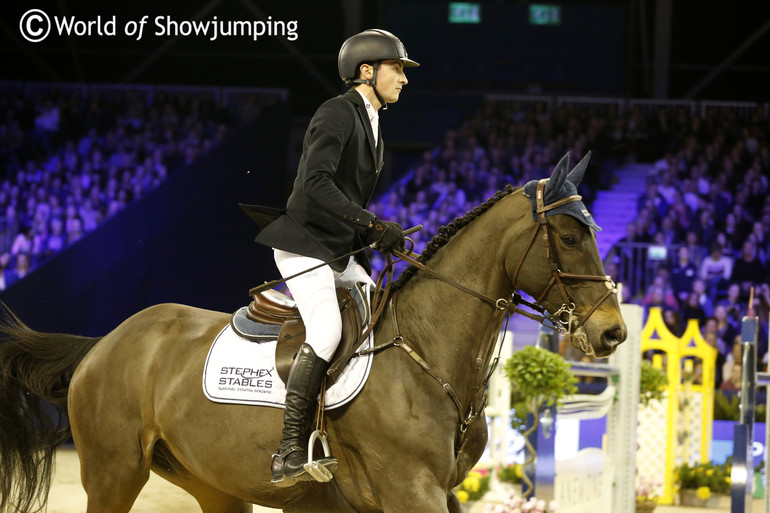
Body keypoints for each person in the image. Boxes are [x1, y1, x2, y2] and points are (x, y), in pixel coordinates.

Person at [240, 29, 419, 486]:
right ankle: (288, 450)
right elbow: (315, 184)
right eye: (397, 69)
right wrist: (374, 226)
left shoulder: (374, 123)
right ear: (367, 71)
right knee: (327, 330)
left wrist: (375, 236)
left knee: (381, 314)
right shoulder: (337, 112)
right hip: (304, 244)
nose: (403, 79)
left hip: (338, 250)